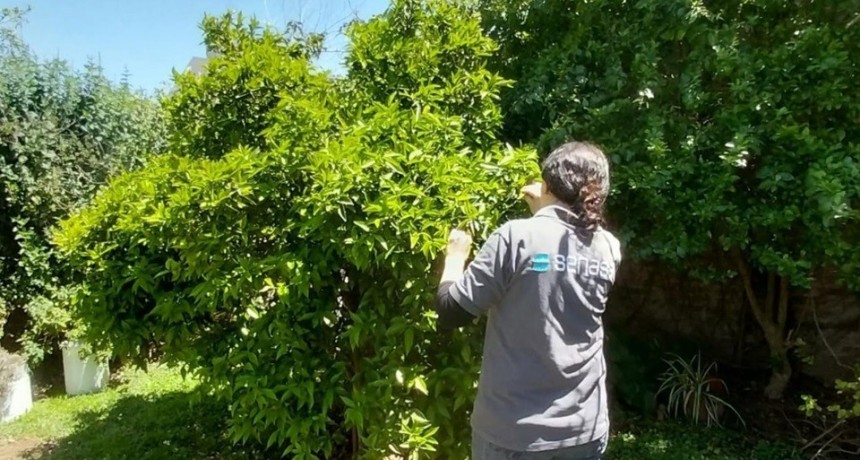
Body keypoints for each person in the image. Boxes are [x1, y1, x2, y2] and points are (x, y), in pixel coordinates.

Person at [435, 141, 622, 460]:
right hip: (583, 432)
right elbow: (560, 252)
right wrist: (546, 211)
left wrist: (455, 256)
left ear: (547, 184)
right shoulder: (608, 247)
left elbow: (452, 311)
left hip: (514, 435)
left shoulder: (515, 237)